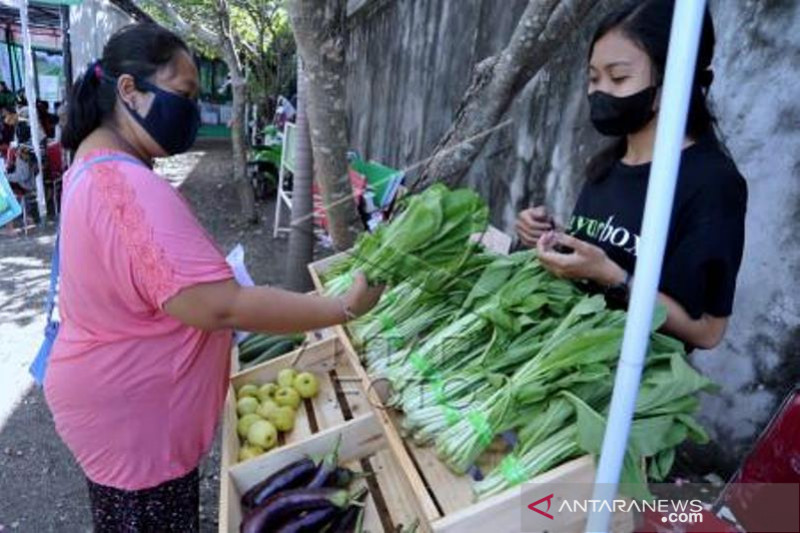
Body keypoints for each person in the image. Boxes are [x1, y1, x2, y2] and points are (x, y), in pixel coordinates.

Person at [45, 23, 383, 532]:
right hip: (135, 425)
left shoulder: (94, 164)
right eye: (184, 94)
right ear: (129, 91)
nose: (193, 110)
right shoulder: (123, 185)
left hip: (121, 410)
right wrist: (341, 308)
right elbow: (219, 306)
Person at [515, 0, 747, 351]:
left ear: (672, 79)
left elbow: (708, 331)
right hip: (564, 354)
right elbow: (610, 249)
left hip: (626, 385)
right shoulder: (607, 167)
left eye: (619, 77)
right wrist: (552, 237)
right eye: (593, 78)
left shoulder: (712, 184)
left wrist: (613, 278)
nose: (599, 91)